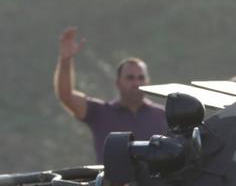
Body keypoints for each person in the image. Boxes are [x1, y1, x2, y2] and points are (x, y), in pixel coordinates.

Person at [54, 27, 166, 162]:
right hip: (111, 183)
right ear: (118, 82)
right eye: (130, 78)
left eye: (141, 78)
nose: (136, 83)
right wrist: (65, 60)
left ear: (148, 82)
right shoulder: (100, 113)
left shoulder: (163, 116)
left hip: (154, 183)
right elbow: (66, 96)